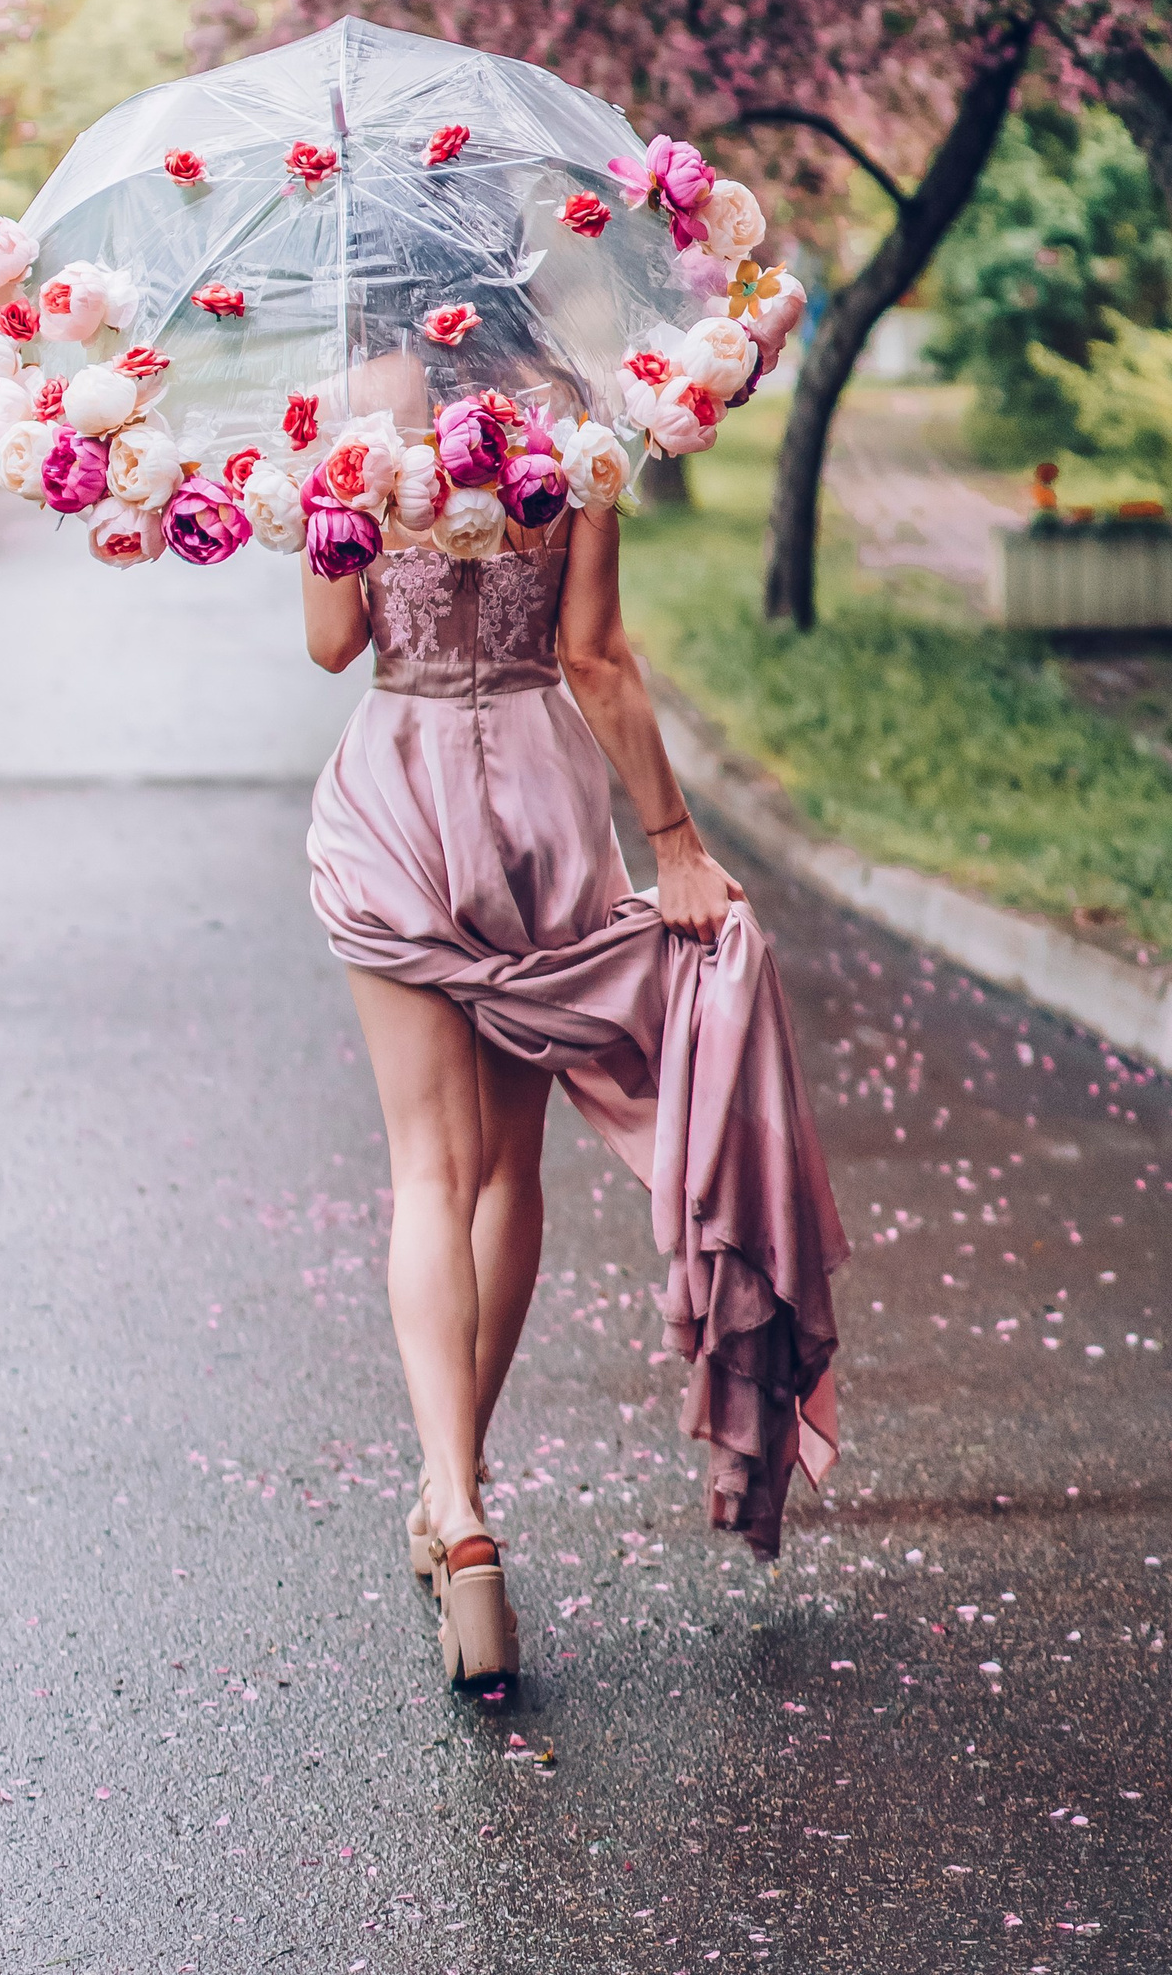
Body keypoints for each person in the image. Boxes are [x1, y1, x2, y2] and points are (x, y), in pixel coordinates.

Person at [304, 473, 845, 1689]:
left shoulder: (338, 429)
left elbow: (333, 640)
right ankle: (459, 1490)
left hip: (397, 792)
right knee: (503, 1170)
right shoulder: (570, 420)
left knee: (427, 1175)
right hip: (538, 807)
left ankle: (453, 1497)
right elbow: (591, 654)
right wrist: (676, 843)